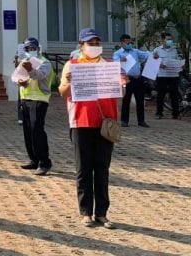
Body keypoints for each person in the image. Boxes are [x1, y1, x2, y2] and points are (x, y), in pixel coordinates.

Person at [58, 27, 125, 229]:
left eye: (97, 43)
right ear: (81, 46)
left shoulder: (110, 66)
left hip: (105, 124)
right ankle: (85, 212)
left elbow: (119, 90)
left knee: (102, 169)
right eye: (90, 43)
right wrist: (69, 83)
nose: (94, 47)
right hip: (80, 122)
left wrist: (123, 83)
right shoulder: (72, 65)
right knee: (83, 169)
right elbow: (62, 92)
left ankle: (102, 213)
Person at [14, 37, 54, 175]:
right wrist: (20, 81)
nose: (30, 50)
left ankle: (44, 162)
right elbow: (18, 77)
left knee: (37, 131)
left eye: (33, 48)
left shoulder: (45, 62)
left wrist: (30, 70)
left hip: (39, 99)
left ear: (38, 48)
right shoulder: (24, 62)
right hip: (25, 98)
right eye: (28, 48)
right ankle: (34, 159)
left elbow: (40, 75)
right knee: (28, 131)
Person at [113, 34, 152, 127]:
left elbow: (146, 55)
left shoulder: (135, 51)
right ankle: (124, 121)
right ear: (122, 43)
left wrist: (153, 54)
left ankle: (141, 121)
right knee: (126, 100)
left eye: (130, 42)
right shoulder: (118, 53)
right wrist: (120, 60)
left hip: (138, 78)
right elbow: (114, 64)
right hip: (127, 79)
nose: (129, 44)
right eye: (127, 42)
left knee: (140, 100)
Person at [153, 32, 181, 119]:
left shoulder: (175, 50)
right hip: (162, 75)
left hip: (174, 75)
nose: (170, 41)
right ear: (162, 41)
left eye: (171, 39)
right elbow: (152, 63)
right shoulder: (157, 50)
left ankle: (175, 113)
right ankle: (159, 113)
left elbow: (178, 61)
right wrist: (159, 64)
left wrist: (180, 65)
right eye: (168, 39)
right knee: (161, 95)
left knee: (174, 95)